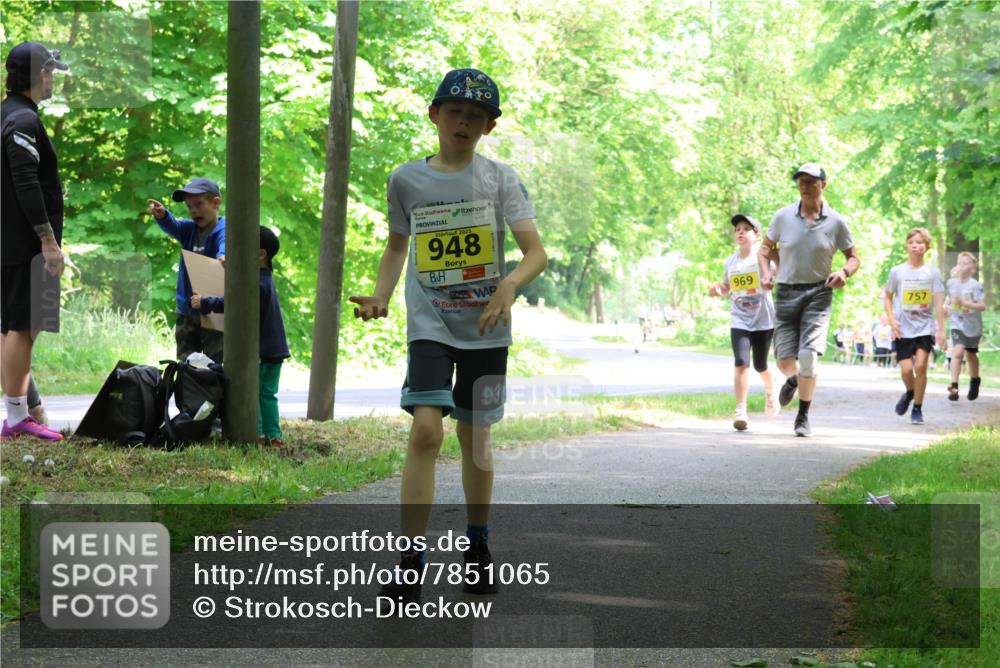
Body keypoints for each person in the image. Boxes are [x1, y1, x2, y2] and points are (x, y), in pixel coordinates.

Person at [349, 68, 546, 607]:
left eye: (477, 116)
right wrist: (381, 294)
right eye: (455, 111)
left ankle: (477, 547)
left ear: (489, 127)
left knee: (475, 441)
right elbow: (397, 247)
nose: (464, 121)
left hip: (486, 329)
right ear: (435, 115)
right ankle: (410, 561)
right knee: (426, 434)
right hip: (431, 325)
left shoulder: (500, 179)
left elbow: (536, 252)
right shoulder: (406, 179)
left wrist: (507, 287)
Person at [759, 163, 860, 437]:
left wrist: (844, 272)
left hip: (818, 292)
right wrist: (767, 273)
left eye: (811, 181)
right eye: (801, 181)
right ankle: (793, 380)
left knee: (808, 357)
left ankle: (803, 417)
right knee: (784, 360)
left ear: (823, 185)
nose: (804, 185)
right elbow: (765, 249)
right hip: (787, 291)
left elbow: (853, 257)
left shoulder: (836, 222)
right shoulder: (782, 217)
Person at [1, 42, 70, 442]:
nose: (53, 79)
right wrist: (47, 240)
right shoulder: (23, 120)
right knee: (24, 328)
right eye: (49, 72)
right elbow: (26, 182)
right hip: (23, 245)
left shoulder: (5, 114)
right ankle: (16, 418)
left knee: (10, 327)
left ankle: (19, 413)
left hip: (7, 242)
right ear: (34, 75)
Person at [191, 227, 289, 446]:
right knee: (266, 394)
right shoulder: (264, 277)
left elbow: (235, 300)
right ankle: (272, 436)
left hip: (265, 351)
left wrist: (205, 302)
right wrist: (232, 266)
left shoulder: (258, 283)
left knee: (259, 394)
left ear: (260, 254)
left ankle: (265, 436)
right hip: (274, 348)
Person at [707, 214, 778, 431]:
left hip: (763, 319)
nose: (740, 232)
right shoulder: (731, 261)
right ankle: (741, 411)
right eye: (737, 229)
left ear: (756, 235)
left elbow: (778, 276)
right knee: (740, 362)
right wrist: (719, 289)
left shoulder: (763, 259)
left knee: (760, 365)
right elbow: (728, 287)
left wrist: (771, 281)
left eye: (746, 229)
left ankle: (770, 391)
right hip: (739, 318)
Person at [147, 178, 226, 362]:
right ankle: (186, 389)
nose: (193, 210)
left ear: (216, 203)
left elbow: (224, 243)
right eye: (189, 206)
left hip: (212, 310)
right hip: (186, 309)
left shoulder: (224, 228)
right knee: (186, 361)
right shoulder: (189, 230)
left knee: (212, 363)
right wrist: (162, 215)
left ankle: (211, 391)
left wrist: (223, 255)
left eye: (199, 204)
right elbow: (173, 224)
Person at [884, 228, 945, 425]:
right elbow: (888, 296)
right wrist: (892, 320)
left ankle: (917, 408)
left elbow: (938, 302)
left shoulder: (932, 272)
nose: (915, 245)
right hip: (903, 327)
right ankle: (910, 392)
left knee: (921, 366)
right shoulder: (897, 271)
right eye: (912, 242)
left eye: (920, 242)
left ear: (927, 247)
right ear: (906, 246)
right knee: (906, 370)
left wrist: (941, 330)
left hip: (925, 327)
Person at [945, 251, 986, 401]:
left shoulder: (975, 285)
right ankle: (954, 386)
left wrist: (965, 303)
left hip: (973, 326)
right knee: (958, 351)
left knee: (971, 354)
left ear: (973, 268)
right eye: (960, 263)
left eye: (966, 263)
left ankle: (975, 381)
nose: (962, 266)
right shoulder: (951, 282)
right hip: (957, 323)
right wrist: (946, 308)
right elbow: (949, 299)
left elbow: (982, 306)